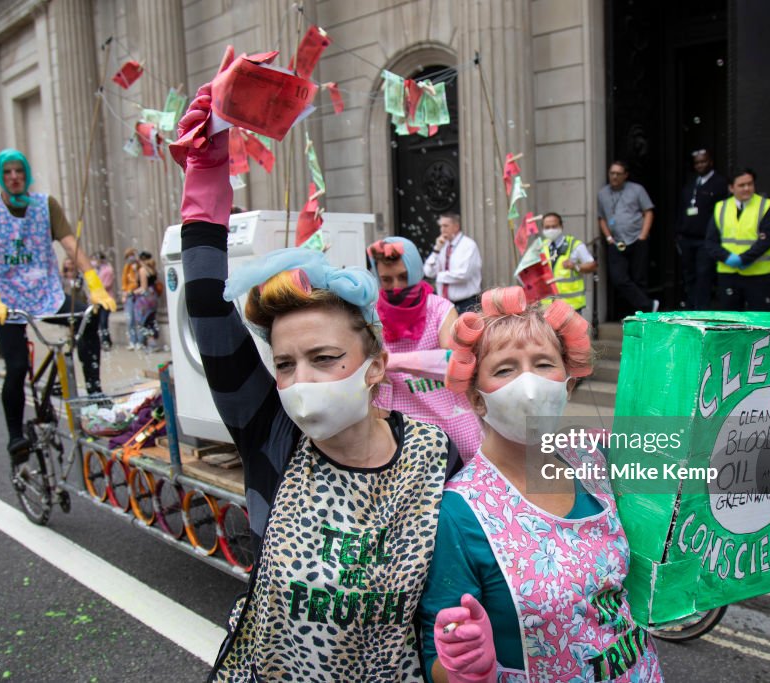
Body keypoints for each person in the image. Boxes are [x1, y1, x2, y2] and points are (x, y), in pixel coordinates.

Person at [175, 53, 461, 681]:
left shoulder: (435, 455)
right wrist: (207, 169)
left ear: (376, 365)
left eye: (325, 358)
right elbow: (207, 306)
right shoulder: (271, 435)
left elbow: (453, 601)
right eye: (284, 364)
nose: (301, 381)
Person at [418, 287, 663, 682]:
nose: (529, 385)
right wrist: (464, 667)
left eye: (544, 364)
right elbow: (437, 655)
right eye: (505, 369)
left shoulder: (596, 458)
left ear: (567, 384)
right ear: (477, 399)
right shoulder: (459, 514)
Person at [0, 148, 116, 463]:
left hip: (45, 292)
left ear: (27, 173)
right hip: (6, 300)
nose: (14, 177)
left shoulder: (45, 205)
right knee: (17, 367)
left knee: (89, 316)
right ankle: (15, 437)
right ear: (0, 177)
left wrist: (93, 283)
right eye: (7, 172)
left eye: (19, 171)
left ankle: (94, 391)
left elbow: (70, 244)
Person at [368, 236, 483, 458]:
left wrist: (389, 361)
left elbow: (455, 359)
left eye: (403, 277)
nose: (396, 286)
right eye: (386, 280)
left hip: (449, 419)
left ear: (416, 271)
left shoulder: (440, 308)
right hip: (401, 424)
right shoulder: (371, 313)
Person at [705, 167, 770, 312]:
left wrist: (744, 259)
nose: (747, 188)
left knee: (760, 319)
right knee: (730, 319)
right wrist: (727, 257)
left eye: (750, 184)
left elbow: (767, 240)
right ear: (731, 188)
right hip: (728, 273)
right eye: (741, 185)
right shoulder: (721, 207)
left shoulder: (765, 206)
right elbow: (710, 242)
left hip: (757, 274)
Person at [597, 161, 658, 313]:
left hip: (637, 239)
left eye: (618, 173)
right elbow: (601, 218)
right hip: (616, 241)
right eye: (612, 173)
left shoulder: (637, 189)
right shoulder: (602, 193)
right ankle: (648, 306)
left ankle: (641, 315)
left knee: (639, 278)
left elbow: (648, 212)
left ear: (625, 175)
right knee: (618, 278)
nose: (614, 176)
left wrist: (643, 235)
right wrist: (608, 238)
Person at [675, 150, 729, 310]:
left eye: (703, 161)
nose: (700, 165)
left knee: (703, 274)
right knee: (689, 274)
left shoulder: (719, 183)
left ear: (710, 162)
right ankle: (690, 307)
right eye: (697, 163)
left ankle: (701, 309)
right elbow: (682, 207)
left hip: (706, 238)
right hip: (687, 237)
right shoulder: (692, 182)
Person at [423, 213, 483, 314]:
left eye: (445, 226)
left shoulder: (468, 245)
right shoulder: (443, 245)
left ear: (456, 226)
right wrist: (436, 249)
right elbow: (428, 272)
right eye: (441, 226)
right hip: (444, 304)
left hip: (466, 303)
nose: (442, 229)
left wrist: (439, 276)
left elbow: (463, 274)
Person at [540, 212, 597, 313]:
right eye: (547, 227)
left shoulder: (574, 244)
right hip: (548, 306)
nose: (551, 230)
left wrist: (576, 266)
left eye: (554, 226)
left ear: (561, 226)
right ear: (543, 229)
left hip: (571, 306)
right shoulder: (540, 247)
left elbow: (593, 265)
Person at [134, 251, 161, 351]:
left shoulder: (142, 270)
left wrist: (133, 292)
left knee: (144, 321)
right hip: (153, 296)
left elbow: (143, 287)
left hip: (145, 298)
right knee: (151, 319)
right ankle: (152, 342)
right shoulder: (152, 269)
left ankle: (150, 343)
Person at [92, 251, 116, 350]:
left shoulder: (108, 270)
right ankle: (105, 340)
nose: (94, 261)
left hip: (106, 299)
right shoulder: (95, 271)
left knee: (103, 321)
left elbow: (107, 284)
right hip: (97, 300)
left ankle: (106, 341)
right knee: (98, 322)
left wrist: (97, 287)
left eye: (95, 259)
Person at [120, 248, 143, 350]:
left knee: (139, 319)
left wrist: (136, 270)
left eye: (132, 255)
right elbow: (124, 282)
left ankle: (140, 341)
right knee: (130, 319)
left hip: (139, 295)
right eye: (128, 256)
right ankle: (133, 341)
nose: (130, 258)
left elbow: (139, 281)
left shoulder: (139, 267)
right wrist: (124, 294)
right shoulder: (127, 267)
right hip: (129, 295)